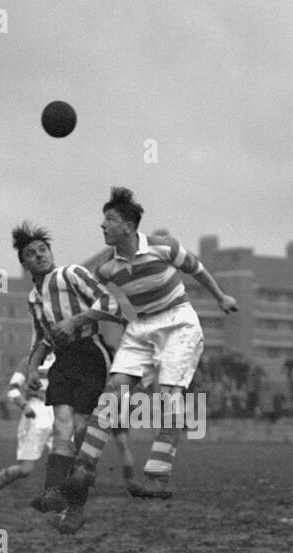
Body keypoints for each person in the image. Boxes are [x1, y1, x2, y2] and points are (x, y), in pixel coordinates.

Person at [60, 186, 239, 534]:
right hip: (141, 327)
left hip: (179, 322)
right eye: (103, 220)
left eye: (109, 220)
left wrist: (221, 298)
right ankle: (84, 466)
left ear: (128, 225)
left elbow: (197, 270)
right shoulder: (108, 268)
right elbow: (99, 302)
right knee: (115, 389)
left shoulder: (163, 245)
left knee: (169, 394)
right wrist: (77, 319)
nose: (103, 226)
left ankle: (158, 476)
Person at [14, 221, 126, 512]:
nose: (39, 255)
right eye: (31, 253)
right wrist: (31, 372)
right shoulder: (33, 297)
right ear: (24, 263)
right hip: (62, 361)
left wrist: (76, 321)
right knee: (60, 427)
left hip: (90, 352)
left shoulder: (71, 274)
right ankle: (52, 492)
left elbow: (111, 305)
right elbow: (42, 338)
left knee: (79, 427)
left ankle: (78, 493)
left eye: (43, 249)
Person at [0, 353, 55, 507]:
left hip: (59, 412)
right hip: (36, 413)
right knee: (25, 469)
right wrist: (24, 405)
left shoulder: (67, 358)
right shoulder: (29, 361)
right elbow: (13, 389)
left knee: (65, 458)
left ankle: (59, 501)